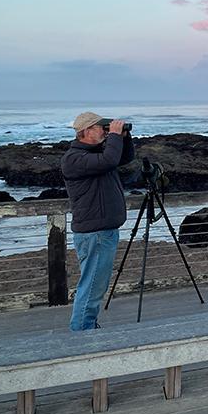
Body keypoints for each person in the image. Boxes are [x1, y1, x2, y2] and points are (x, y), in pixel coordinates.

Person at [61, 112, 134, 330]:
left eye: (105, 127)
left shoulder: (95, 155)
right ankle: (82, 334)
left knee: (94, 286)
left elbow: (124, 158)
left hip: (101, 232)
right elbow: (110, 159)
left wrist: (124, 136)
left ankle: (87, 326)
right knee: (92, 287)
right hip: (96, 233)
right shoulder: (74, 159)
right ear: (84, 131)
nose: (104, 130)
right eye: (100, 127)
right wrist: (113, 136)